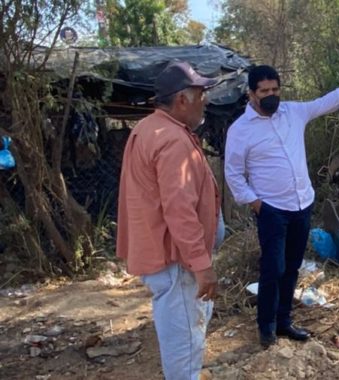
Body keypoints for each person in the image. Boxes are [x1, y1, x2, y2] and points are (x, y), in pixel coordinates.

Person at [225, 64, 339, 348]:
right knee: (273, 268)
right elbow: (233, 174)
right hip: (271, 210)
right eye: (264, 91)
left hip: (302, 205)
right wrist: (256, 203)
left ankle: (284, 322)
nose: (271, 95)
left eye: (275, 89)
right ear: (251, 94)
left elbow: (326, 102)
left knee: (292, 266)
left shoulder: (293, 113)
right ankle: (267, 329)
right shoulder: (240, 130)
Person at [116, 61, 222, 379]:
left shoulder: (149, 129)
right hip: (177, 262)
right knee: (185, 346)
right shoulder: (173, 140)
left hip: (167, 258)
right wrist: (202, 266)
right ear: (182, 99)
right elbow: (179, 211)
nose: (206, 100)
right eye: (201, 93)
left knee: (183, 337)